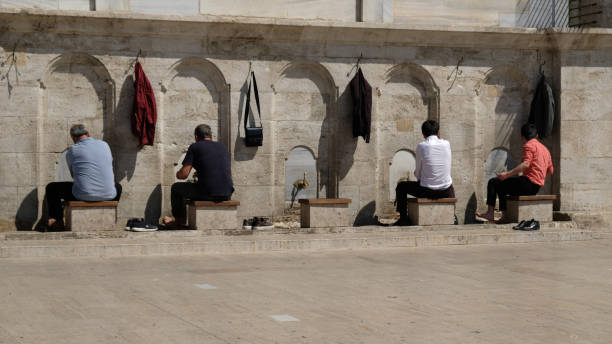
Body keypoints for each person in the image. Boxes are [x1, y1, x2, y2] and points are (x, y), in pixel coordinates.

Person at [45, 124, 121, 231]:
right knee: (118, 186)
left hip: (82, 195)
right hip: (109, 195)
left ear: (73, 138)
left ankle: (57, 220)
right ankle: (113, 217)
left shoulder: (72, 150)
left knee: (51, 187)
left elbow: (73, 175)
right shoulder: (104, 145)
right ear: (88, 134)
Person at [476, 123, 554, 223]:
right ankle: (503, 216)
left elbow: (526, 164)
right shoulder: (545, 150)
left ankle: (490, 213)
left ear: (522, 137)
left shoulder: (529, 145)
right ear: (537, 136)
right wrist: (540, 177)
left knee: (493, 182)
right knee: (501, 184)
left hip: (527, 184)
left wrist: (507, 174)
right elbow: (551, 171)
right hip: (536, 187)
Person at [162, 124, 234, 228]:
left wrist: (178, 173)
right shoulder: (222, 146)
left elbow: (183, 175)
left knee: (176, 188)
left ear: (196, 137)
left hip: (208, 193)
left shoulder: (195, 146)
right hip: (227, 192)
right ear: (211, 136)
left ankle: (179, 221)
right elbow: (218, 169)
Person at [394, 120, 455, 226]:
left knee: (401, 186)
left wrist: (420, 176)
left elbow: (418, 173)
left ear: (423, 134)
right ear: (438, 133)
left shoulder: (422, 146)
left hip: (427, 191)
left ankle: (403, 218)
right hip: (446, 191)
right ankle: (453, 216)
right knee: (449, 184)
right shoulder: (447, 144)